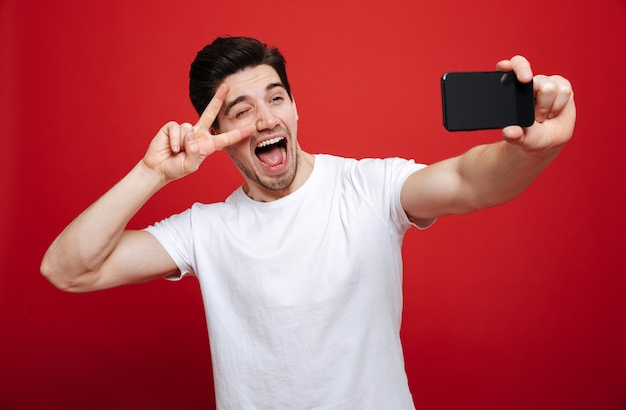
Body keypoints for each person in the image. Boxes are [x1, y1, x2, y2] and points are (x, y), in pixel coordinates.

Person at [40, 36, 575, 409]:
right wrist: (151, 173)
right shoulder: (205, 230)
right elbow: (69, 269)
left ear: (295, 108)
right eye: (241, 111)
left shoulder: (369, 187)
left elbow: (469, 183)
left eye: (276, 98)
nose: (266, 118)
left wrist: (533, 152)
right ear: (215, 131)